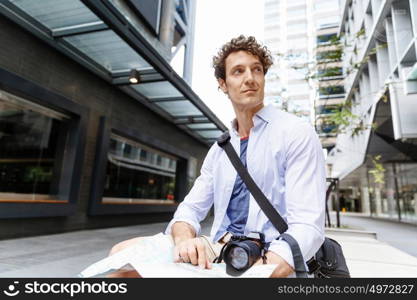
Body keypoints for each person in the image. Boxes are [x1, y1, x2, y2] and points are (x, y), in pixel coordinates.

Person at [109, 35, 326, 278]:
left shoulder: (295, 133)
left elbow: (307, 226)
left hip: (268, 255)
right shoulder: (220, 148)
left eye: (257, 70)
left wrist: (263, 271)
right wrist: (184, 241)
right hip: (220, 250)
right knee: (122, 256)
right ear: (223, 83)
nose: (250, 78)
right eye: (238, 71)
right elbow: (189, 210)